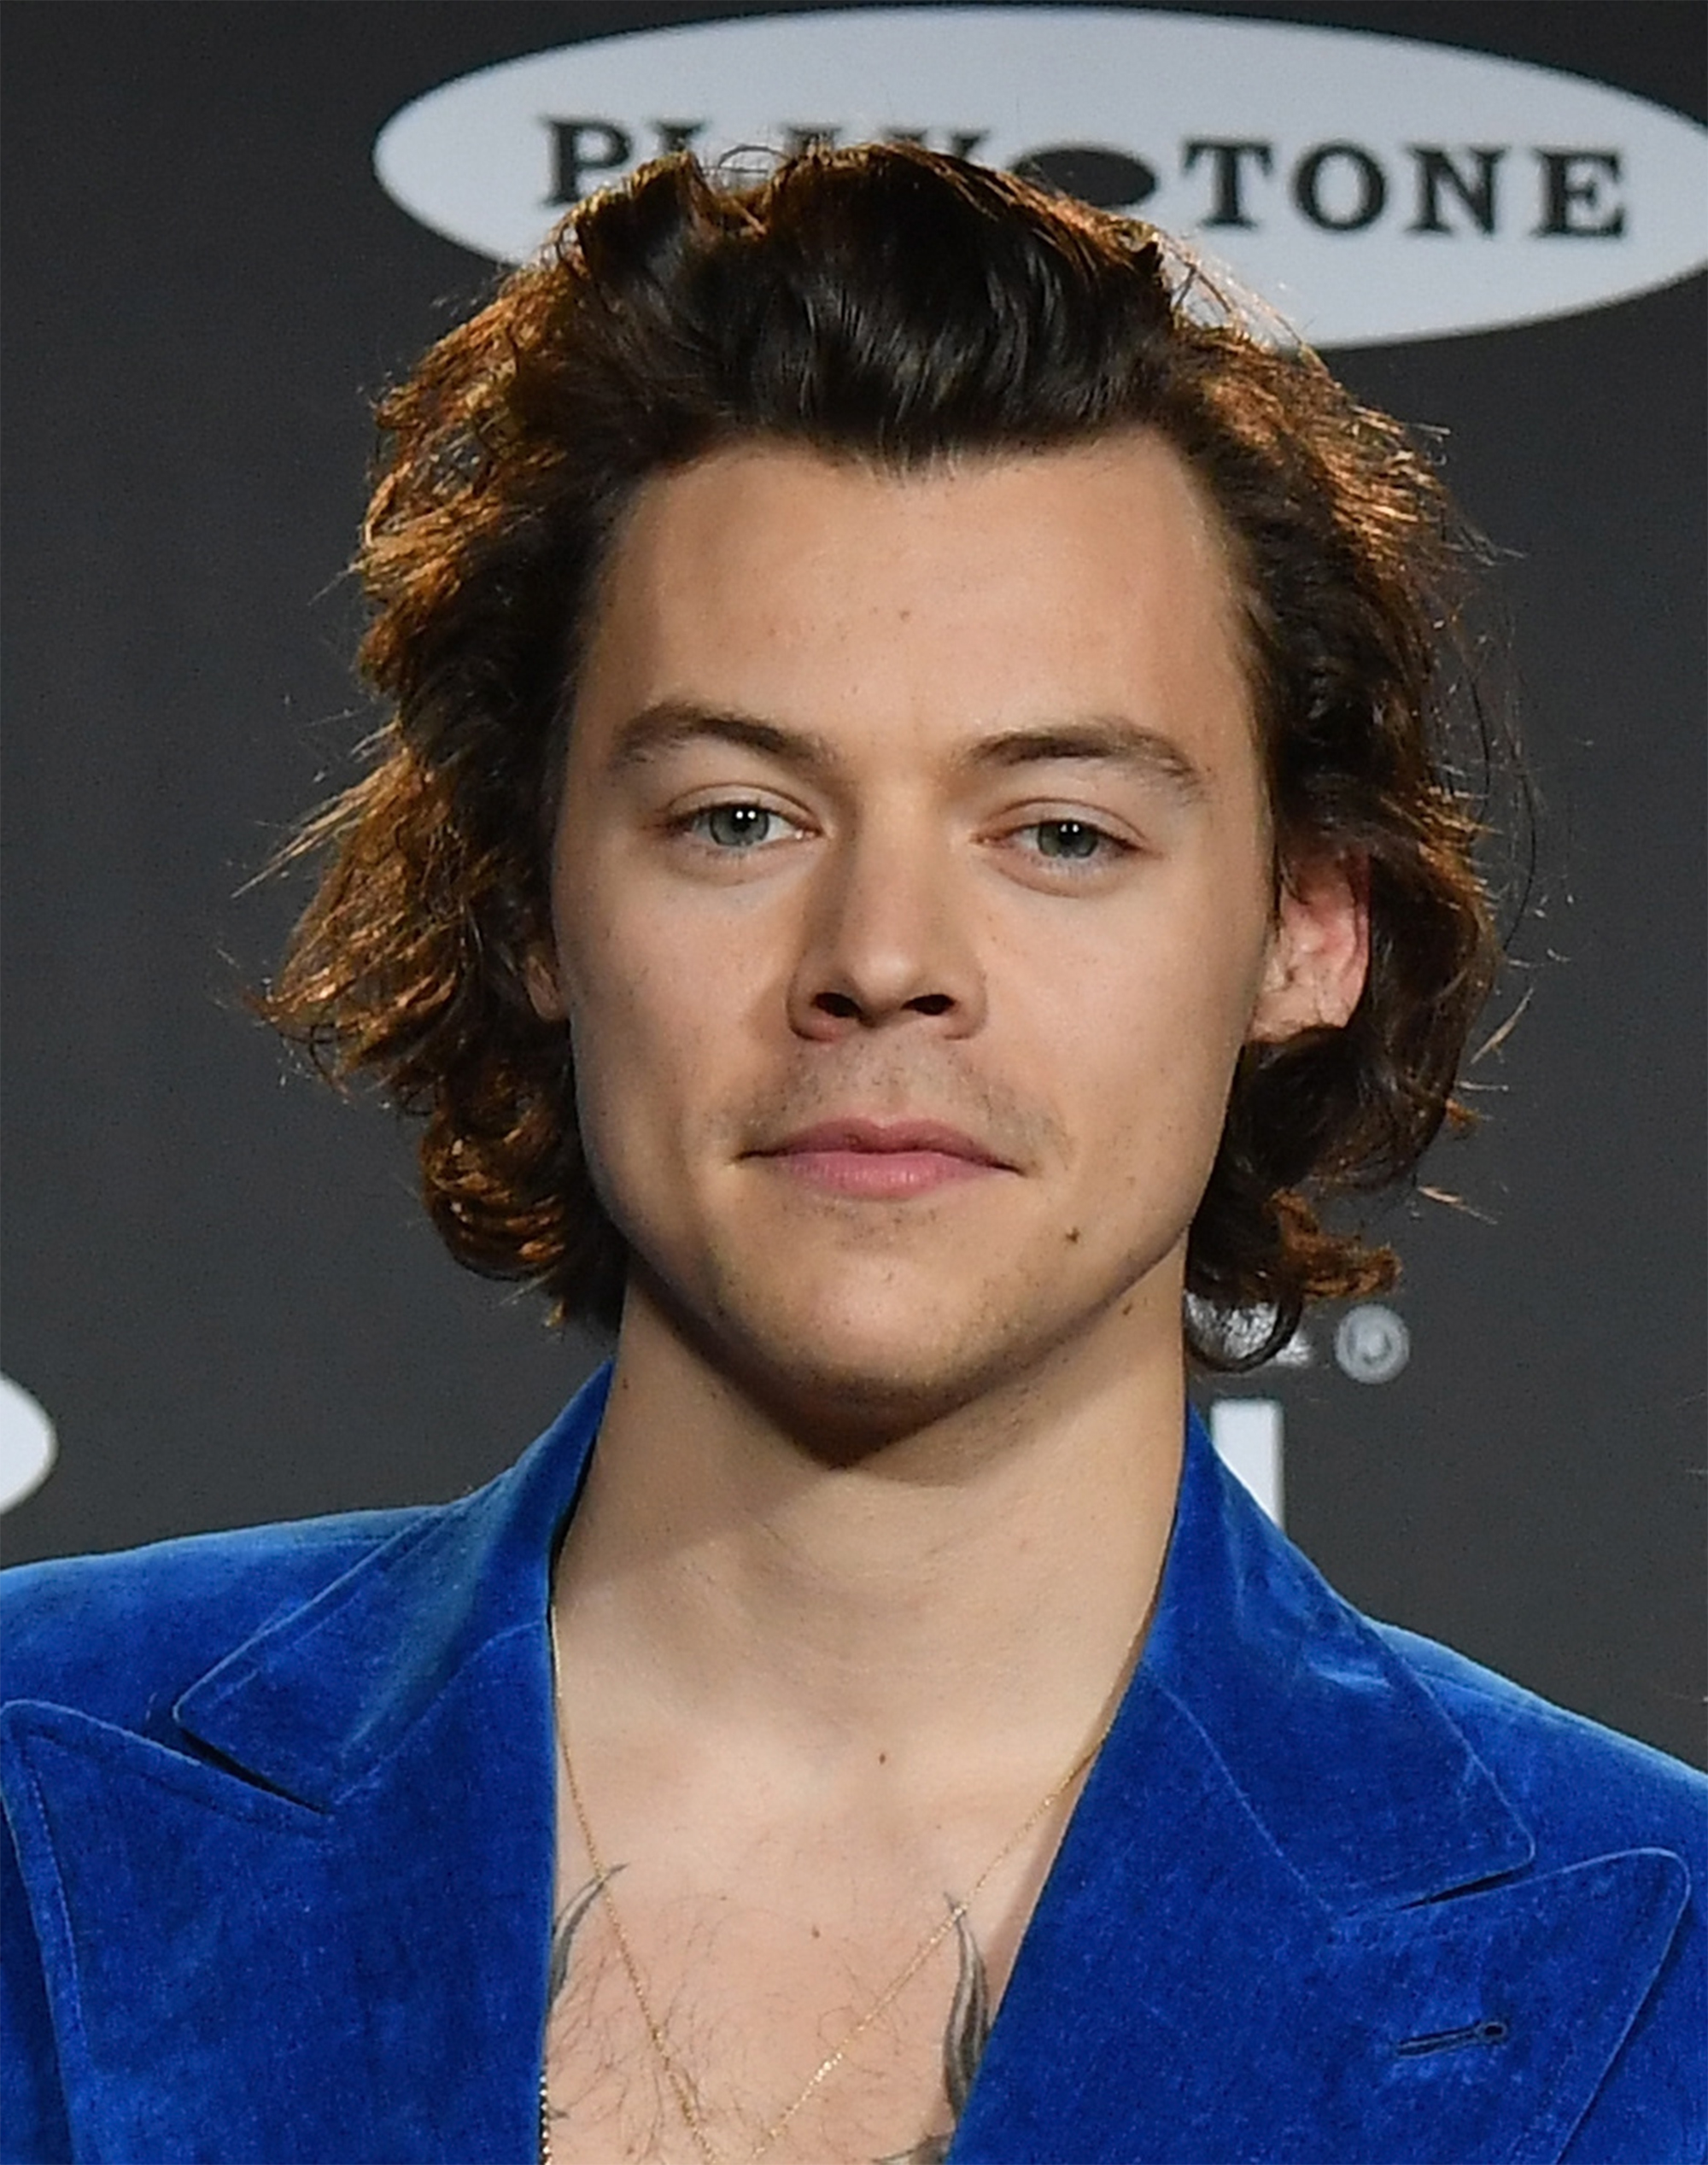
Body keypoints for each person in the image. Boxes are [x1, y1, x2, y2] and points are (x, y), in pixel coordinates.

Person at [2, 144, 1701, 2165]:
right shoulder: (35, 1779)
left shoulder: (1657, 1976)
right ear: (530, 899)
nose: (884, 957)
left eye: (1059, 830)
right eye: (740, 816)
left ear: (1305, 926)